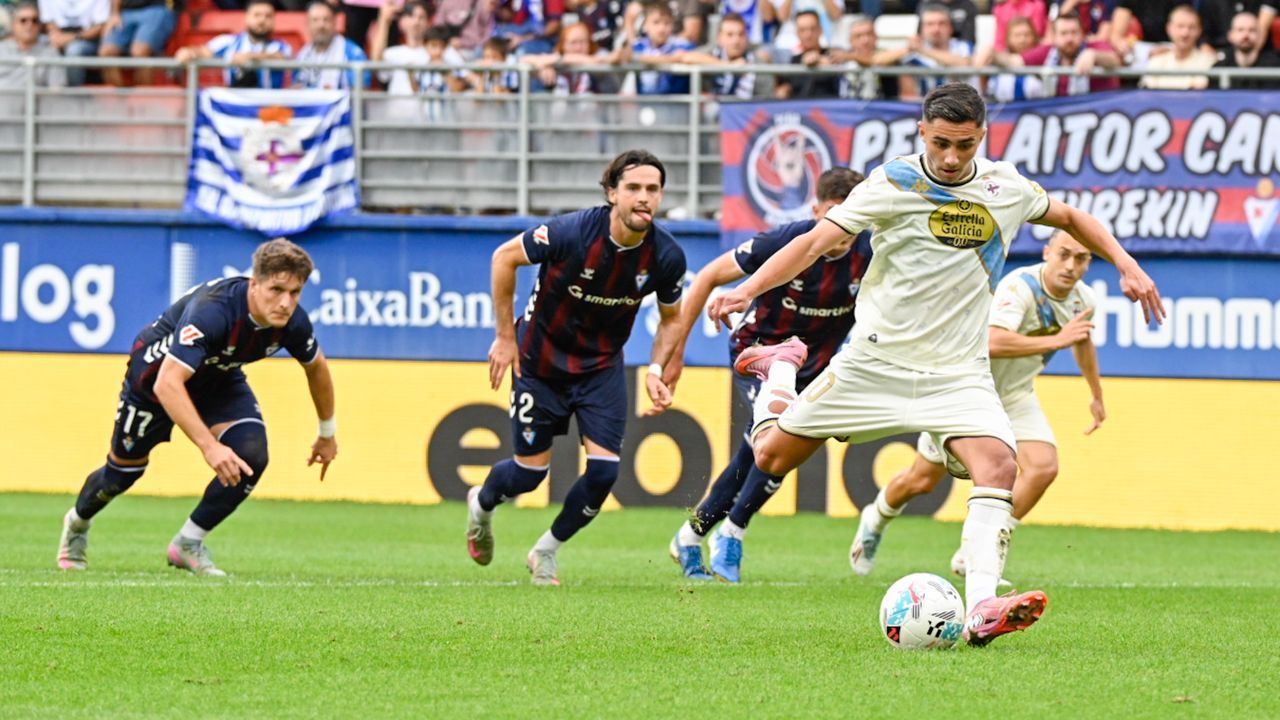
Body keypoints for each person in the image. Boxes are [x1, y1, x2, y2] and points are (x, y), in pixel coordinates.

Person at [706, 83, 1164, 645]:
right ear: (922, 132)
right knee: (771, 455)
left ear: (982, 138)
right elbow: (816, 242)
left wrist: (1127, 263)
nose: (951, 158)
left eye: (965, 146)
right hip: (876, 361)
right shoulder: (892, 182)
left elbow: (1071, 216)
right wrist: (747, 289)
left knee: (999, 466)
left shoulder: (1005, 187)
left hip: (958, 373)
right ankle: (780, 367)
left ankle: (982, 608)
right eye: (942, 143)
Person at [466, 149, 688, 586]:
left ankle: (545, 551)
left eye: (653, 189)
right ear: (612, 193)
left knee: (604, 472)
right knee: (529, 474)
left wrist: (656, 368)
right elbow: (503, 258)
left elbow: (671, 319)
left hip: (600, 369)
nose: (645, 198)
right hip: (540, 362)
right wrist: (505, 337)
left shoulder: (666, 257)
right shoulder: (570, 233)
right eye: (634, 188)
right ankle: (482, 505)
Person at [56, 239, 338, 577]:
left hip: (217, 378)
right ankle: (77, 523)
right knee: (121, 475)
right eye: (276, 289)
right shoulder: (214, 310)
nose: (285, 302)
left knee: (251, 455)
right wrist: (209, 447)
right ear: (254, 284)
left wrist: (327, 433)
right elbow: (167, 383)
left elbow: (317, 367)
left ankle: (187, 544)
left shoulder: (292, 323)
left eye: (295, 292)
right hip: (153, 382)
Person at [850, 230, 1103, 581]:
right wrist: (1058, 338)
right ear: (1047, 252)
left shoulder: (1083, 298)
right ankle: (875, 518)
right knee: (921, 480)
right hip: (966, 390)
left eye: (1081, 258)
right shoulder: (1021, 287)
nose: (1071, 265)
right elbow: (993, 341)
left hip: (1015, 395)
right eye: (1064, 254)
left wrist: (1096, 394)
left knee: (1043, 468)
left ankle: (978, 551)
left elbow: (1082, 340)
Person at [665, 168, 871, 582]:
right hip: (757, 355)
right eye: (835, 214)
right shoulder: (785, 241)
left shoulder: (871, 250)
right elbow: (708, 277)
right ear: (816, 210)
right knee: (774, 441)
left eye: (854, 216)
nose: (843, 228)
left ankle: (691, 536)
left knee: (768, 453)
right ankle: (732, 533)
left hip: (815, 368)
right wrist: (674, 354)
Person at [988, 11, 1122, 98]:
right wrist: (991, 54)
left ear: (1082, 34)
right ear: (1055, 37)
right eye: (1064, 33)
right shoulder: (1047, 51)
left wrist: (1094, 55)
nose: (1069, 38)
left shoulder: (1096, 47)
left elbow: (1115, 60)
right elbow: (1013, 61)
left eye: (1074, 32)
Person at [173, 0, 292, 89]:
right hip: (235, 109)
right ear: (246, 18)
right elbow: (204, 51)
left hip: (269, 109)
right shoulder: (228, 41)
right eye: (257, 15)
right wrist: (189, 52)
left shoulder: (281, 46)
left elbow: (280, 57)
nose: (262, 21)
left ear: (274, 21)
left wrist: (251, 57)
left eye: (268, 16)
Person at [677, 12, 772, 99]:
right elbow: (687, 57)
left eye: (741, 34)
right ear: (719, 38)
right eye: (730, 35)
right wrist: (727, 65)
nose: (736, 41)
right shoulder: (712, 53)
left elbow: (765, 102)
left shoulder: (757, 62)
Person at [901, 4, 975, 99]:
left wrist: (922, 50)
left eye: (942, 23)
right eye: (930, 24)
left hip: (962, 107)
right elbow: (908, 96)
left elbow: (965, 63)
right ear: (921, 29)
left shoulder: (963, 46)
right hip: (924, 109)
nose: (936, 29)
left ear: (951, 27)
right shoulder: (912, 55)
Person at [293, 0, 370, 89]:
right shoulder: (302, 54)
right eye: (315, 20)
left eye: (326, 19)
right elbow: (296, 86)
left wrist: (335, 93)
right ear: (307, 24)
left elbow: (361, 90)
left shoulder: (352, 53)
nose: (321, 25)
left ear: (334, 23)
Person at [99, 0, 176, 86]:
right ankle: (118, 97)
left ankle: (144, 97)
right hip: (125, 11)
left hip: (156, 8)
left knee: (140, 52)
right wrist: (114, 13)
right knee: (106, 52)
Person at [832, 14, 907, 100]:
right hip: (847, 110)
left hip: (882, 110)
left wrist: (851, 57)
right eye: (859, 36)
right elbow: (826, 60)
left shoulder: (886, 54)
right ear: (850, 40)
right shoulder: (843, 57)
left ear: (876, 37)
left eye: (869, 34)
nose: (865, 40)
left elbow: (876, 60)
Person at [1140, 5, 1216, 89]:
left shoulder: (1209, 62)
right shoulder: (1156, 62)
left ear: (1199, 31)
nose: (1185, 33)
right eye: (1180, 26)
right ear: (1168, 28)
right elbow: (1147, 93)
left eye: (1191, 27)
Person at [627, 2, 695, 95]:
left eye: (667, 23)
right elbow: (622, 55)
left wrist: (639, 58)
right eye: (656, 22)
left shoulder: (682, 45)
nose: (662, 28)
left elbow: (682, 57)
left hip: (675, 106)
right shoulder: (639, 46)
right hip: (646, 105)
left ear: (673, 25)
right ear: (645, 25)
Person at [39, 0, 109, 85]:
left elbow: (100, 26)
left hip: (88, 38)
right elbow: (48, 20)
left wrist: (72, 37)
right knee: (42, 45)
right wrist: (56, 37)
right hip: (57, 35)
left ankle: (72, 93)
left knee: (74, 50)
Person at [0, 1, 67, 91]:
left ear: (40, 25)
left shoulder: (51, 53)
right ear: (13, 25)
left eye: (34, 20)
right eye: (23, 20)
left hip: (36, 104)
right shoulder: (1, 50)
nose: (29, 25)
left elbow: (57, 90)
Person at [773, 10, 840, 99]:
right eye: (802, 30)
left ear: (820, 30)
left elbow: (841, 63)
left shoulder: (833, 54)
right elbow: (785, 87)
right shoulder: (794, 60)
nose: (808, 34)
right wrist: (783, 91)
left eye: (812, 29)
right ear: (797, 33)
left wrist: (820, 60)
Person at [1214, 10, 1280, 89]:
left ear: (1259, 35)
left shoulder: (1274, 67)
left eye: (1251, 30)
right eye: (1240, 30)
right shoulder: (1219, 68)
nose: (1246, 35)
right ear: (1230, 35)